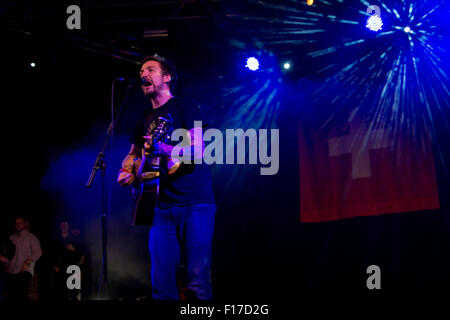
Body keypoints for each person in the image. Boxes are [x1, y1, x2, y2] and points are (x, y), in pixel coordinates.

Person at [117, 54, 216, 300]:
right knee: (161, 282)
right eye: (141, 71)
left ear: (167, 77)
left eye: (150, 69)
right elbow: (133, 154)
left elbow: (198, 151)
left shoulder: (185, 106)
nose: (143, 74)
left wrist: (166, 150)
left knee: (197, 279)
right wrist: (126, 170)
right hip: (160, 208)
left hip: (195, 203)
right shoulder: (143, 119)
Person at [3, 216, 42, 300]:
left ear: (24, 224)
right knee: (11, 296)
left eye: (20, 223)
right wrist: (6, 265)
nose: (18, 225)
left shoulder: (31, 237)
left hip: (24, 271)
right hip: (12, 271)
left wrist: (27, 262)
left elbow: (38, 252)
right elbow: (8, 255)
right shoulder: (11, 238)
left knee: (21, 295)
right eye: (16, 223)